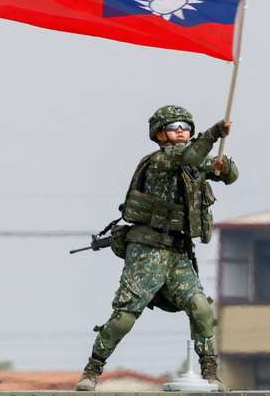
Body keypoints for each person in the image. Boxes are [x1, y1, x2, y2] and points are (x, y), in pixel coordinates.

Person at [75, 105, 238, 391]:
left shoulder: (192, 161)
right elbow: (191, 156)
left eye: (186, 127)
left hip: (177, 253)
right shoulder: (163, 160)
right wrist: (213, 133)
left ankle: (210, 371)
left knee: (200, 308)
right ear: (160, 134)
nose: (181, 131)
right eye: (174, 126)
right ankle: (92, 369)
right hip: (148, 250)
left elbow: (227, 173)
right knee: (126, 314)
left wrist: (225, 167)